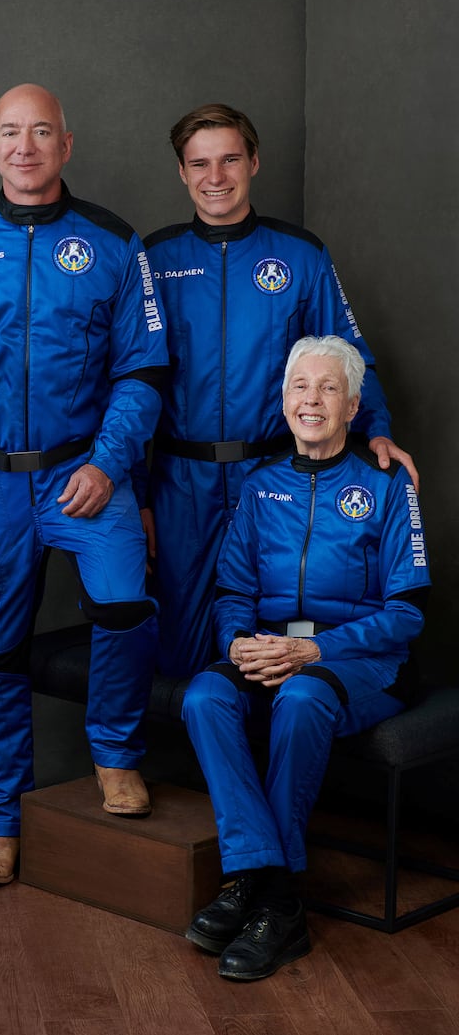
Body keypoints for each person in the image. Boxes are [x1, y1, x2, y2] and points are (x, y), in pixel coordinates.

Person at [0, 83, 169, 886]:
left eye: (41, 131)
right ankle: (3, 822)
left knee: (125, 604)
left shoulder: (115, 245)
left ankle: (116, 753)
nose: (25, 146)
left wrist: (107, 462)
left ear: (66, 143)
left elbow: (144, 371)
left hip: (86, 472)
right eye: (10, 133)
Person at [182, 334, 429, 980]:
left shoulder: (386, 488)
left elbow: (407, 613)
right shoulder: (260, 489)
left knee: (301, 694)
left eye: (327, 388)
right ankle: (259, 875)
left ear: (352, 406)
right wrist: (239, 642)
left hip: (362, 662)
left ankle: (275, 898)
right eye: (300, 387)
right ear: (284, 400)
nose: (311, 400)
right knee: (204, 695)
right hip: (274, 649)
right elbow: (234, 590)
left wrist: (315, 648)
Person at [142, 103, 418, 679]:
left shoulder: (299, 255)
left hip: (273, 471)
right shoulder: (156, 259)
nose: (215, 177)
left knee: (275, 625)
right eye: (199, 163)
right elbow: (132, 379)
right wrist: (137, 492)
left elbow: (350, 359)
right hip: (178, 482)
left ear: (255, 162)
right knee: (183, 634)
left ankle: (279, 760)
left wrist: (380, 431)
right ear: (181, 172)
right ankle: (200, 765)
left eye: (230, 160)